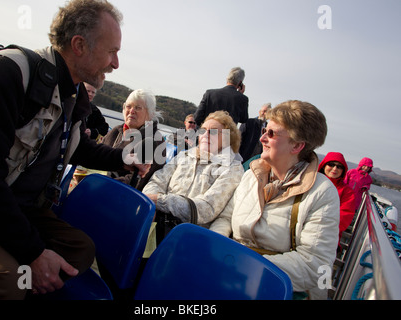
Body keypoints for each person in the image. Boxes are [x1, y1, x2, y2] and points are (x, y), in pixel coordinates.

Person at [0, 0, 149, 299]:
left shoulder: (70, 93)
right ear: (79, 45)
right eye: (112, 51)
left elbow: (77, 146)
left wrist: (123, 158)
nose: (115, 64)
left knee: (81, 251)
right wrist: (32, 252)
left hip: (16, 205)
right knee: (10, 281)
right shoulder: (6, 74)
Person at [210, 100, 340, 299]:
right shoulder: (252, 174)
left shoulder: (322, 193)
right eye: (265, 129)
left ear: (297, 145)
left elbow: (315, 264)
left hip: (274, 289)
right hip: (227, 274)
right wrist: (216, 248)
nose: (262, 138)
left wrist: (244, 265)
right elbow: (226, 218)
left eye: (271, 133)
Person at [143, 110, 244, 233]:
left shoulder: (232, 169)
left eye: (213, 132)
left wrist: (159, 200)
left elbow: (206, 208)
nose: (206, 134)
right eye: (203, 130)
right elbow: (157, 180)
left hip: (189, 234)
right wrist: (151, 205)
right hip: (156, 220)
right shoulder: (184, 155)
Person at [100, 89, 166, 191]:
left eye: (138, 108)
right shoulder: (116, 131)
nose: (132, 111)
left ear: (150, 114)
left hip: (119, 194)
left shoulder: (153, 141)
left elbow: (136, 181)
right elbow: (99, 153)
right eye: (128, 106)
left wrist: (101, 183)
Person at [318, 152, 356, 246]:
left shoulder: (347, 192)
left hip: (326, 237)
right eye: (331, 164)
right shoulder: (311, 181)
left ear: (343, 170)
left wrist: (320, 228)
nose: (335, 169)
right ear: (323, 166)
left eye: (339, 167)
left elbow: (344, 216)